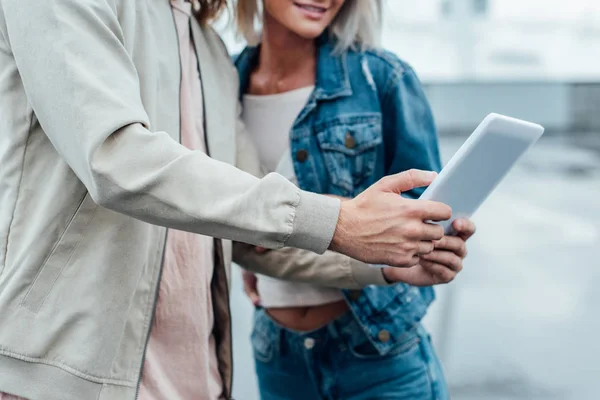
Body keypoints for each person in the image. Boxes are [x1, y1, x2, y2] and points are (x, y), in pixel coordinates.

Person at [0, 0, 454, 399]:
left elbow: (257, 230)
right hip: (65, 376)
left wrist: (384, 264)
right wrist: (338, 221)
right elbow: (114, 158)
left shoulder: (212, 53)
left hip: (199, 376)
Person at [233, 0, 476, 399]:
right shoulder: (222, 83)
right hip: (277, 354)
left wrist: (437, 240)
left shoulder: (381, 77)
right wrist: (249, 252)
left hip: (377, 353)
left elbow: (425, 212)